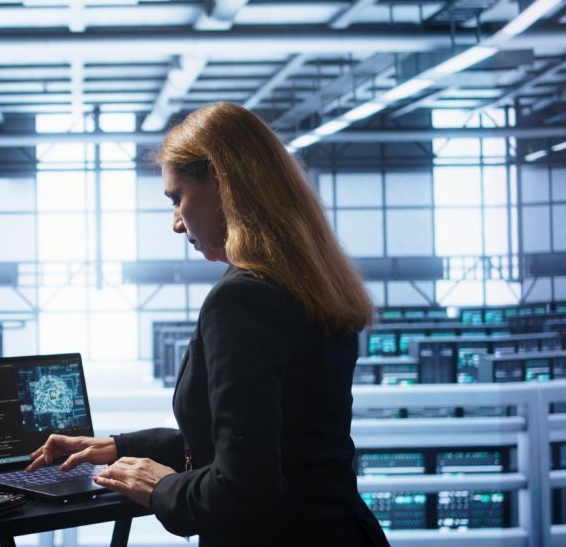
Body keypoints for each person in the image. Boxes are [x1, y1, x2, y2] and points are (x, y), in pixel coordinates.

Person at [26, 102, 390, 546]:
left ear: (222, 183)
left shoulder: (242, 298)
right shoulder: (313, 283)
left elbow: (244, 486)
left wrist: (159, 486)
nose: (177, 223)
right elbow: (265, 438)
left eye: (177, 197)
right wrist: (121, 447)